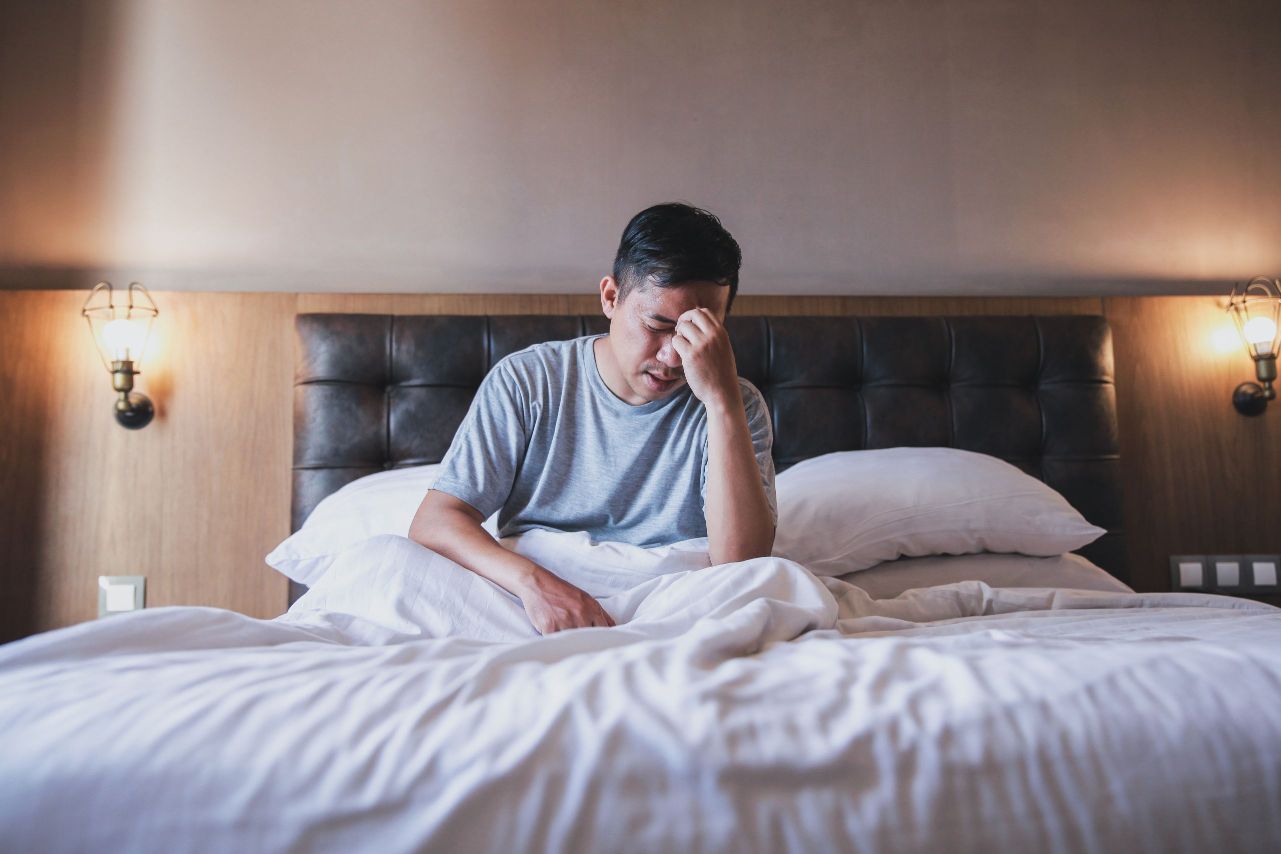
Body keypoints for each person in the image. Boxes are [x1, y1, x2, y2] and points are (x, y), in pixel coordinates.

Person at [409, 202, 777, 634]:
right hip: (532, 598)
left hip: (674, 602)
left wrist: (721, 403)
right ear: (610, 297)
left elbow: (743, 567)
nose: (673, 356)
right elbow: (435, 521)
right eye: (658, 324)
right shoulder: (528, 381)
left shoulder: (737, 405)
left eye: (698, 331)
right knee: (382, 563)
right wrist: (536, 584)